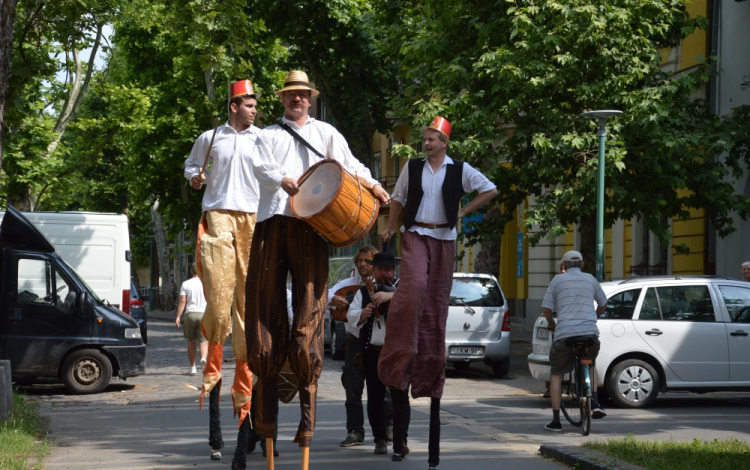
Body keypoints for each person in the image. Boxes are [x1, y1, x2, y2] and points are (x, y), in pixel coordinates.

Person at [246, 70, 390, 460]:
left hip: (310, 227)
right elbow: (259, 166)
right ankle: (265, 425)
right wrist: (283, 179)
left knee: (309, 313)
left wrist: (374, 185)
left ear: (311, 98)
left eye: (303, 94)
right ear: (283, 99)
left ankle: (306, 415)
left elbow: (349, 165)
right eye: (291, 94)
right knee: (264, 313)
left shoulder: (326, 133)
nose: (297, 99)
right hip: (272, 223)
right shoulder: (268, 135)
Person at [378, 116, 497, 468]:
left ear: (445, 143)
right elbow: (398, 198)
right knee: (413, 290)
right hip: (415, 234)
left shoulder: (459, 169)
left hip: (444, 238)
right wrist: (390, 227)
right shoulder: (412, 168)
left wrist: (464, 209)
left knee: (435, 305)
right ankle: (400, 351)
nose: (426, 143)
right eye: (425, 139)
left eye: (432, 139)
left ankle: (428, 362)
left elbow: (490, 188)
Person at [184, 79, 261, 464]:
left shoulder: (261, 138)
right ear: (234, 106)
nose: (254, 110)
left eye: (256, 105)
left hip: (251, 216)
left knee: (246, 299)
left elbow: (275, 173)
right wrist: (195, 176)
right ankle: (213, 356)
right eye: (249, 105)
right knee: (219, 296)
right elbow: (192, 166)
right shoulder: (211, 137)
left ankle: (245, 387)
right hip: (217, 211)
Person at [541, 250, 608, 433]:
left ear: (564, 265)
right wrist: (594, 317)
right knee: (591, 364)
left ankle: (556, 421)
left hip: (565, 335)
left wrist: (551, 323)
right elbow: (603, 303)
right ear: (582, 265)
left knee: (556, 374)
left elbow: (546, 308)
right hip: (589, 333)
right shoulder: (590, 279)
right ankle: (594, 402)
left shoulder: (557, 281)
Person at [348, 252, 404, 455]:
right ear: (374, 270)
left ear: (394, 270)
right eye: (380, 269)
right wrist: (363, 314)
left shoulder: (402, 289)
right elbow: (350, 315)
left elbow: (416, 300)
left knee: (400, 396)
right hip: (373, 352)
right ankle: (380, 439)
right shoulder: (363, 292)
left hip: (397, 352)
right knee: (375, 397)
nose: (384, 273)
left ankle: (400, 439)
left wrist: (391, 295)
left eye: (388, 269)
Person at [329, 245, 378, 447]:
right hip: (354, 343)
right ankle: (355, 432)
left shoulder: (383, 284)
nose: (363, 264)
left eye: (367, 260)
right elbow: (324, 294)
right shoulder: (347, 284)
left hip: (376, 345)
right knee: (352, 391)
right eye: (360, 260)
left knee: (381, 391)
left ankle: (386, 430)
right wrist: (333, 299)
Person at [175, 263, 207, 375]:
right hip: (204, 313)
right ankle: (203, 359)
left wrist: (178, 316)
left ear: (191, 271)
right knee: (203, 340)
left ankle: (193, 367)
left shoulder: (185, 284)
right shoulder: (206, 282)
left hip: (190, 314)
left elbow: (182, 301)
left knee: (191, 341)